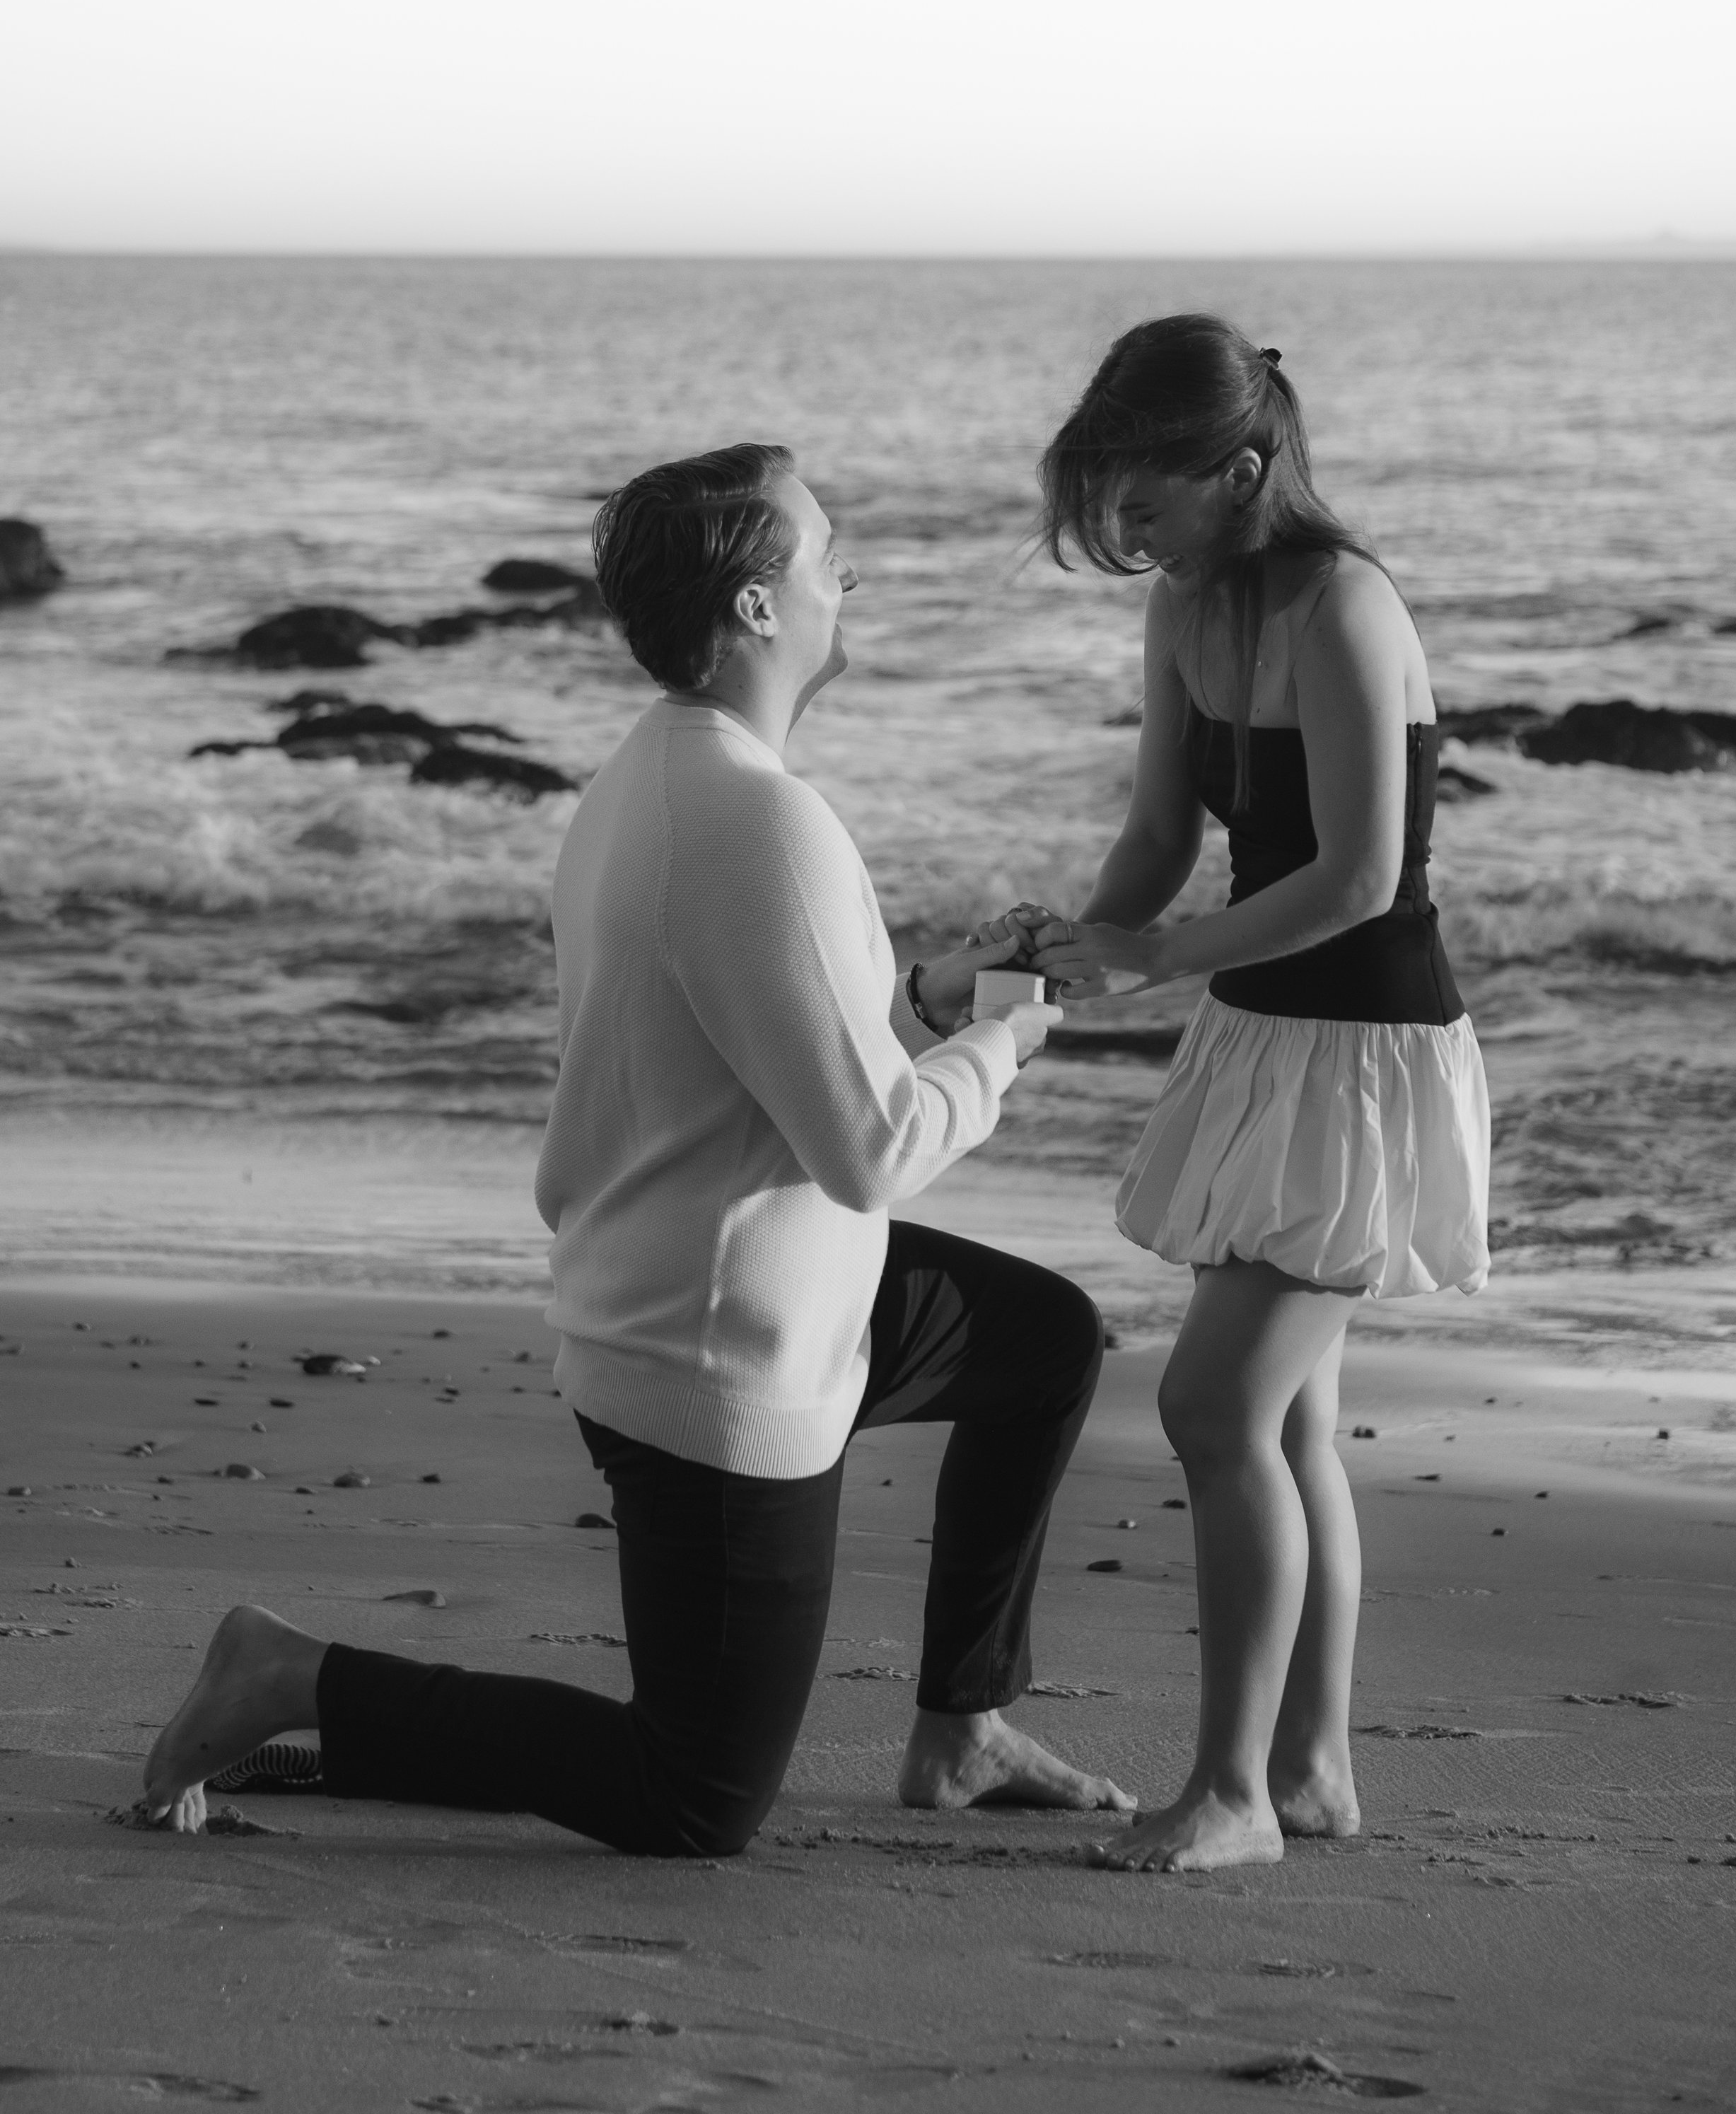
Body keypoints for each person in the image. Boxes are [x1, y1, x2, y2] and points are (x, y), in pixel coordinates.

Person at [142, 442, 1133, 1852]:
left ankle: (964, 1723)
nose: (846, 570)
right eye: (821, 548)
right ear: (753, 608)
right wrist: (1003, 1041)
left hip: (769, 1287)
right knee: (696, 1797)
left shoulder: (659, 778)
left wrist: (922, 998)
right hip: (711, 1350)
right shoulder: (753, 818)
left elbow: (739, 1045)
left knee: (1040, 1340)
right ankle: (288, 1675)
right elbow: (863, 1147)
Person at [981, 316, 1489, 1874]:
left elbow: (1354, 876)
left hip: (1363, 1055)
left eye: (1144, 501)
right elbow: (1154, 840)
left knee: (1214, 1407)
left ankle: (1229, 1795)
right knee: (1290, 1420)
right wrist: (1078, 941)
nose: (1125, 536)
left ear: (1244, 467)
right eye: (1107, 508)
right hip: (1265, 1042)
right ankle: (1310, 1771)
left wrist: (1157, 960)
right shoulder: (1192, 611)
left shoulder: (1345, 606)